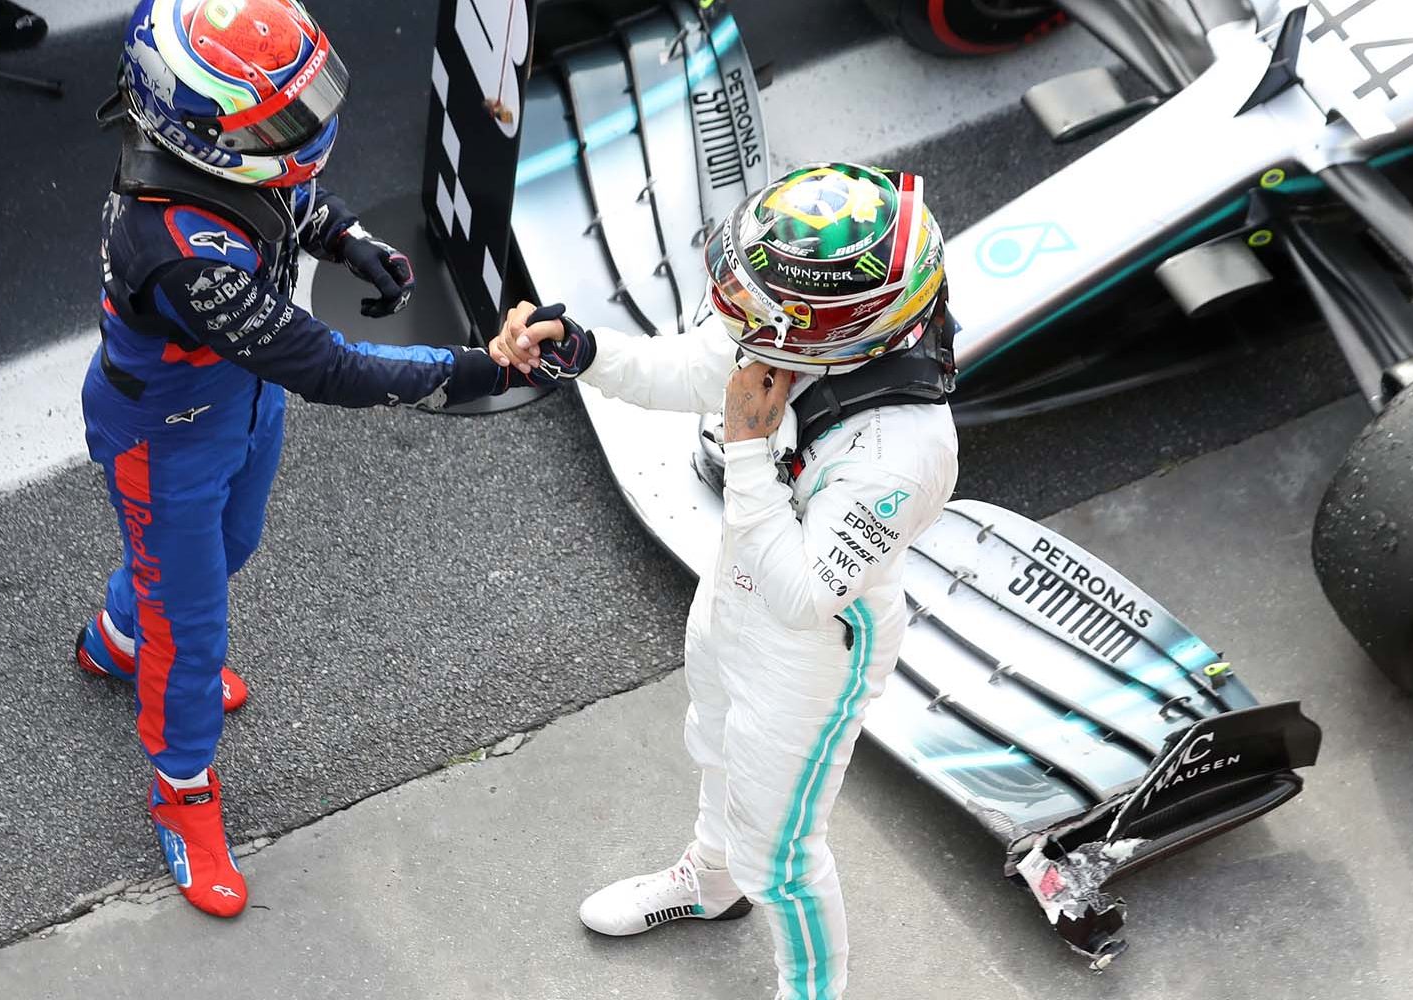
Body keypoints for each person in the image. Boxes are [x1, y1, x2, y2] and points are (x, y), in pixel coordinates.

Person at [73, 0, 581, 920]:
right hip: (164, 438)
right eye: (278, 122)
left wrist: (352, 240)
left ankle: (114, 638)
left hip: (236, 400)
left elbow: (282, 198)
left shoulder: (213, 155)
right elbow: (326, 363)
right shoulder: (178, 251)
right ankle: (181, 791)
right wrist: (472, 369)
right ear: (198, 130)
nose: (301, 134)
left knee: (233, 544)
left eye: (301, 109)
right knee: (192, 634)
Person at [490, 162, 959, 1000]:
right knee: (717, 747)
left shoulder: (906, 451)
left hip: (814, 648)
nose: (734, 315)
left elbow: (805, 597)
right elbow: (686, 368)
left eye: (756, 306)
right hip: (734, 591)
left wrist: (745, 446)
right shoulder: (807, 331)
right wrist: (583, 350)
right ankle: (710, 883)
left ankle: (812, 988)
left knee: (780, 853)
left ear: (834, 330)